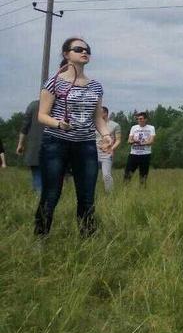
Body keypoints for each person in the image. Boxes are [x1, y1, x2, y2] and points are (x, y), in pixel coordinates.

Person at [35, 37, 112, 238]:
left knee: (87, 196)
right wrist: (59, 123)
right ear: (66, 54)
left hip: (85, 145)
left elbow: (98, 118)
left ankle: (88, 240)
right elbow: (42, 115)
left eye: (87, 49)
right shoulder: (53, 82)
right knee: (52, 194)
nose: (84, 52)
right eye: (78, 49)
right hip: (55, 143)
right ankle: (40, 238)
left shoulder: (95, 86)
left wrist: (105, 135)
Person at [17, 100, 44, 194]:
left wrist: (20, 144)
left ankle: (38, 199)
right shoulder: (59, 105)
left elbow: (24, 127)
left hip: (34, 149)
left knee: (37, 178)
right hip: (54, 149)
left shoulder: (33, 105)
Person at [95, 106, 122, 193]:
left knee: (106, 175)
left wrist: (112, 149)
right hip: (94, 152)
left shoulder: (115, 125)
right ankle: (90, 193)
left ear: (105, 113)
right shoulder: (94, 124)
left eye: (99, 112)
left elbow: (118, 140)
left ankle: (109, 194)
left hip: (106, 153)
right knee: (91, 175)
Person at [124, 112, 155, 185]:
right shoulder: (134, 127)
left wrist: (143, 143)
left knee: (143, 175)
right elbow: (129, 141)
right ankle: (125, 189)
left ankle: (142, 190)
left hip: (145, 154)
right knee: (128, 173)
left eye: (141, 119)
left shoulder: (151, 128)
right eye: (138, 119)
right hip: (134, 154)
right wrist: (134, 141)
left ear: (145, 119)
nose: (139, 120)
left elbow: (151, 141)